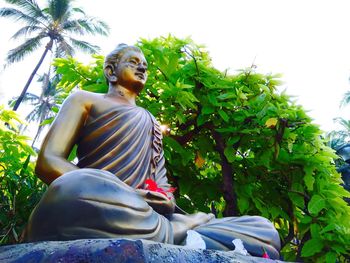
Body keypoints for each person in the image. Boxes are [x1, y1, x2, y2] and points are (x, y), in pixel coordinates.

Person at [26, 44, 281, 259]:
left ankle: (176, 229)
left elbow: (159, 185)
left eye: (145, 65)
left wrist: (166, 201)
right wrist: (127, 192)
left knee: (264, 230)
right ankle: (179, 230)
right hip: (97, 201)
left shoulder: (151, 122)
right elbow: (48, 162)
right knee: (75, 185)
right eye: (133, 62)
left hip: (142, 214)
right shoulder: (85, 100)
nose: (142, 68)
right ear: (110, 71)